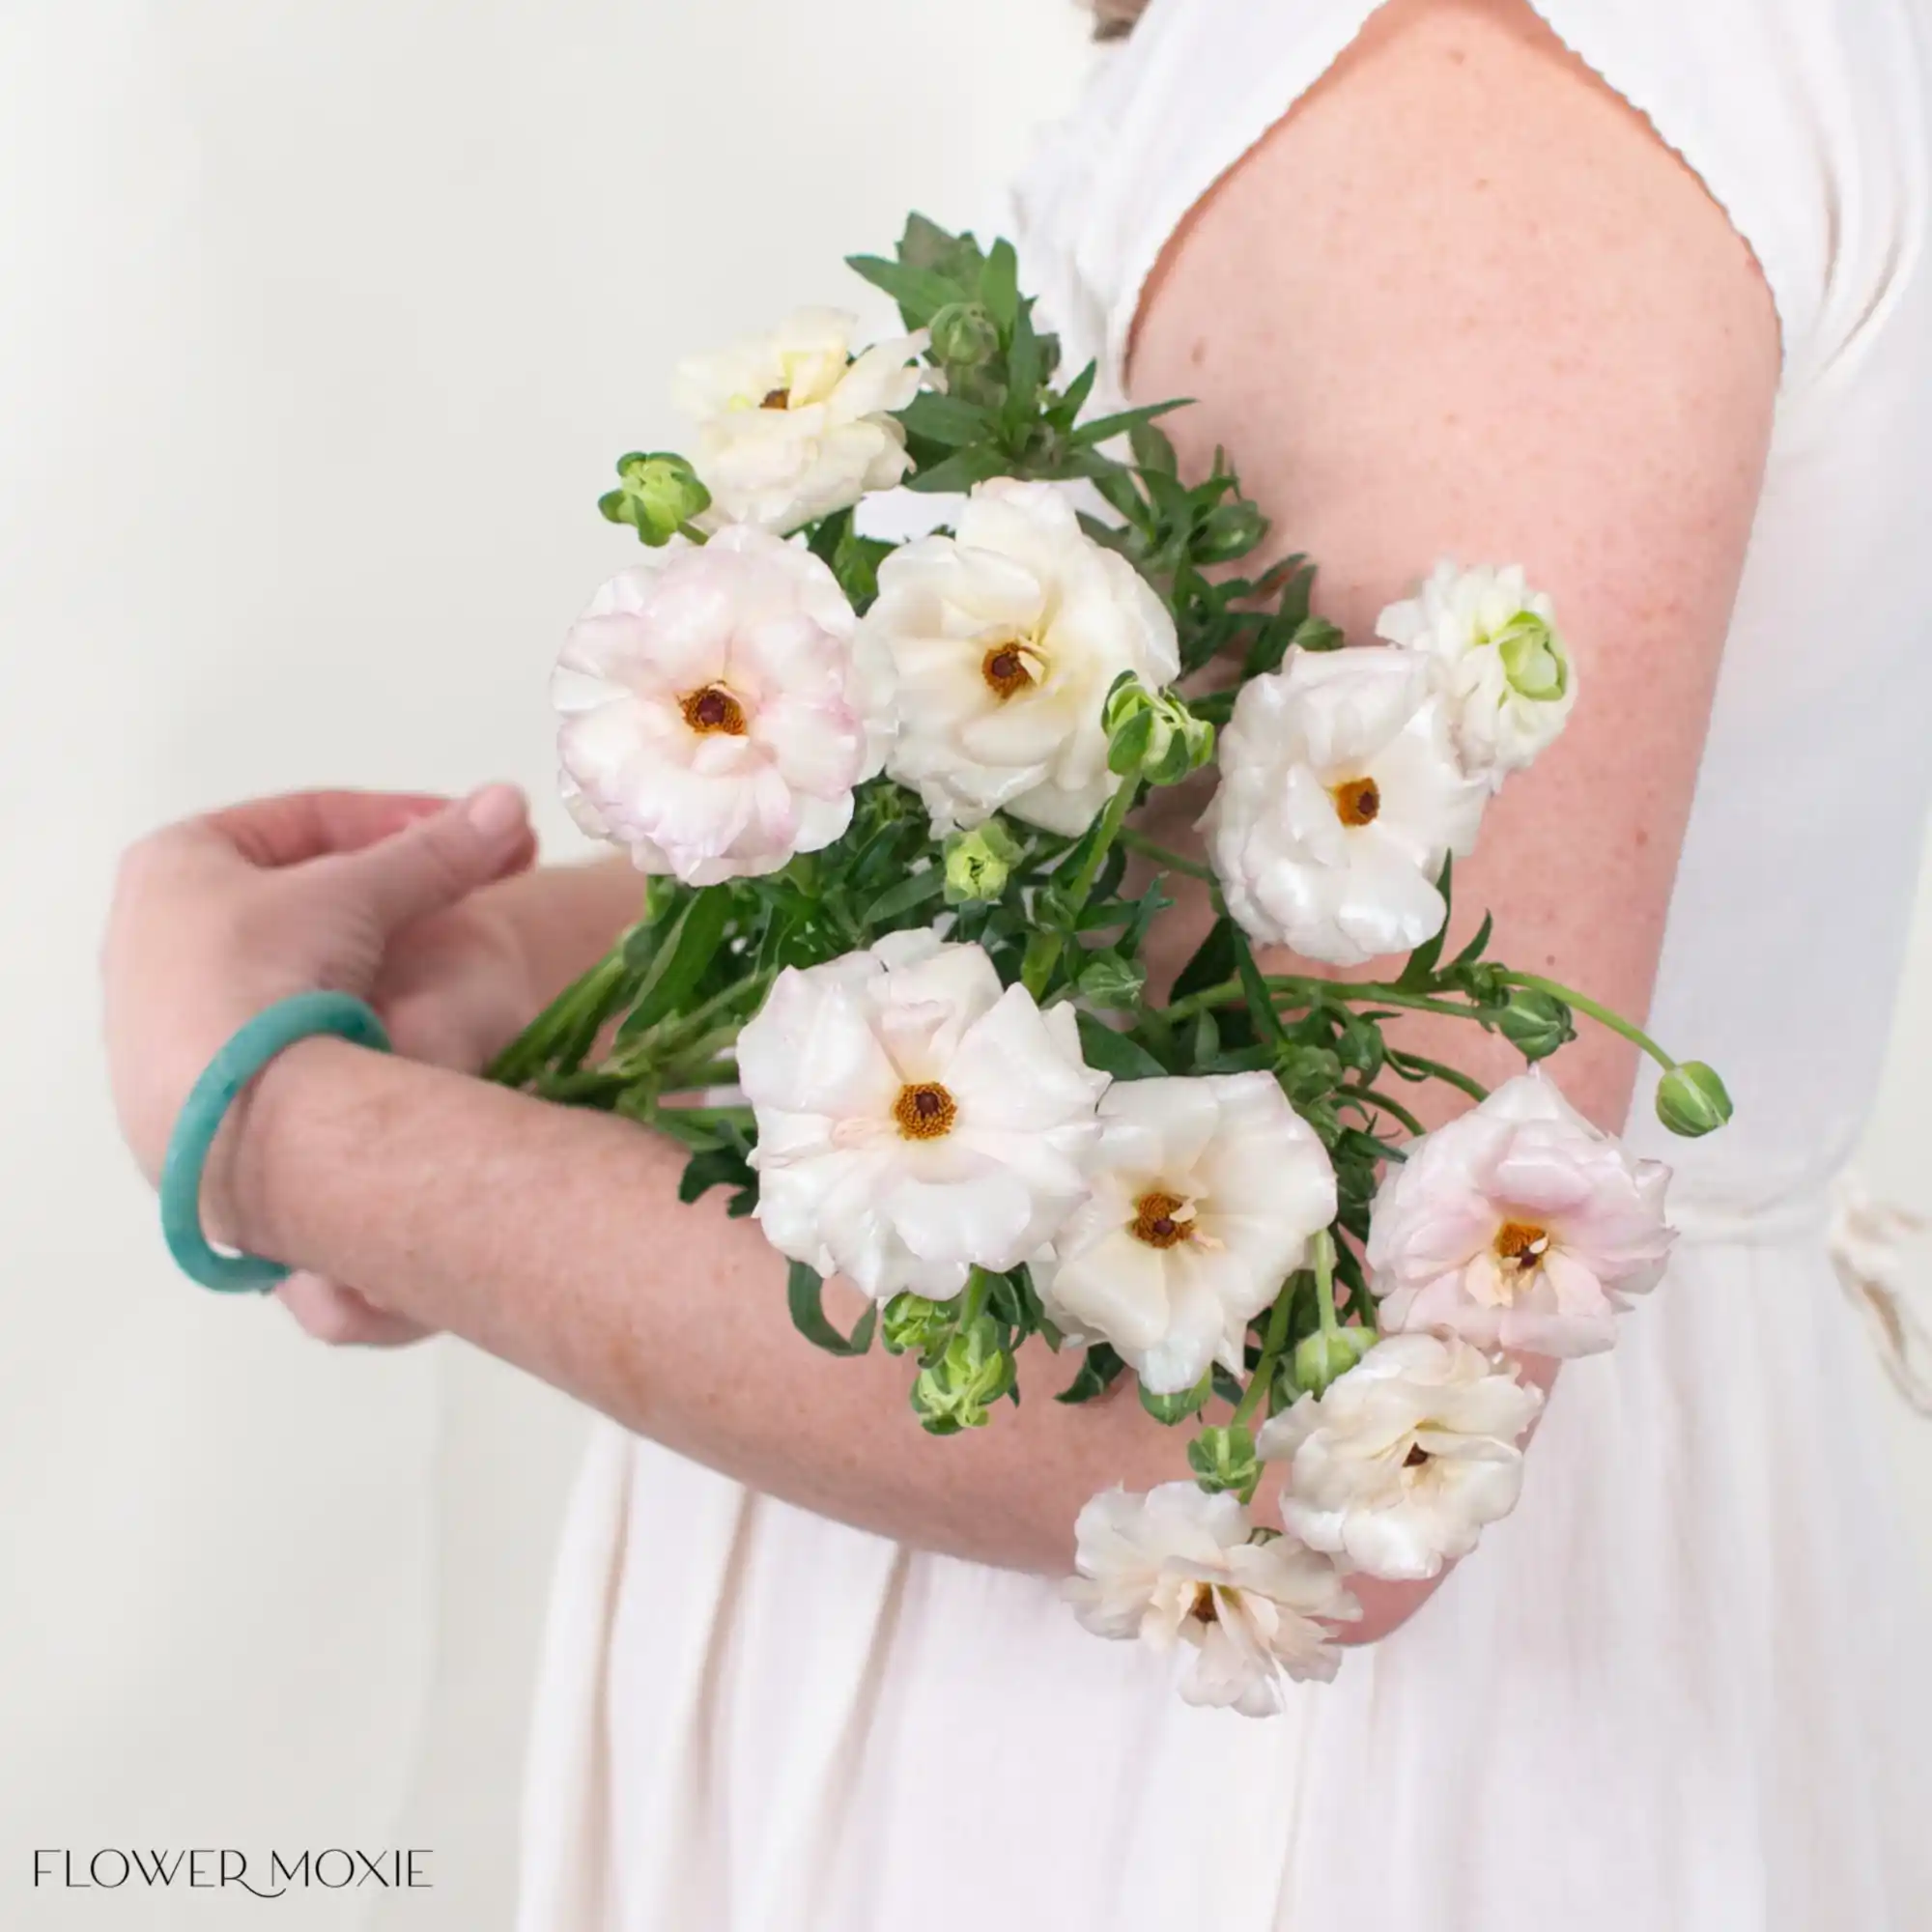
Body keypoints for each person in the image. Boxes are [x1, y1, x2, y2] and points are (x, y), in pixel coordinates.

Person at [101, 0, 1932, 1924]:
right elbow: (1168, 902)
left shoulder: (1472, 102)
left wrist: (281, 1128)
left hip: (1221, 1790)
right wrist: (536, 974)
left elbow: (1300, 1421)